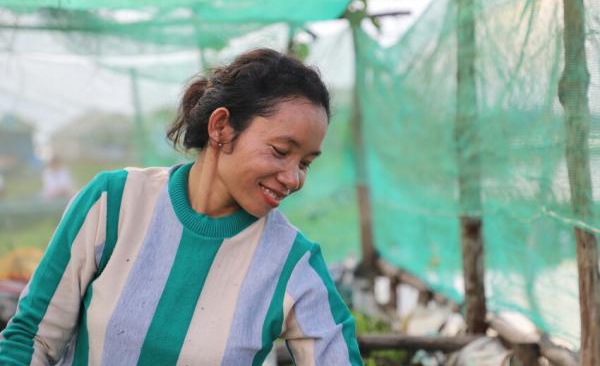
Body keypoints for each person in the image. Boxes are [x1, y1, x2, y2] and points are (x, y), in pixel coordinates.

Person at [0, 49, 363, 365]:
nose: (294, 178)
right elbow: (33, 339)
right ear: (221, 127)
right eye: (281, 151)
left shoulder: (293, 263)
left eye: (306, 163)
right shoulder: (114, 203)